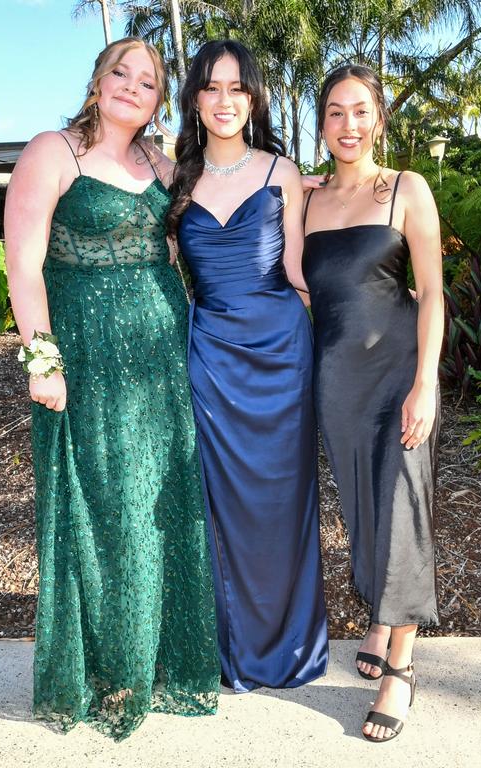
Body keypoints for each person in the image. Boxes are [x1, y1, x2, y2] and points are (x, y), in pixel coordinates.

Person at [3, 37, 219, 740]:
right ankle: (108, 669)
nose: (133, 85)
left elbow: (207, 224)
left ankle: (161, 662)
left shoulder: (161, 162)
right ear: (97, 82)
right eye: (120, 72)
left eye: (148, 80)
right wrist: (43, 362)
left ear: (160, 100)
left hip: (163, 359)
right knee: (104, 513)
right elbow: (24, 265)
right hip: (88, 363)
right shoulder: (51, 151)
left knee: (160, 509)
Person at [165, 39, 329, 693]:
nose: (225, 100)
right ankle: (229, 644)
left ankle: (288, 647)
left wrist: (376, 308)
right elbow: (161, 273)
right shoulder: (173, 180)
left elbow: (296, 272)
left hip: (284, 358)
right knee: (223, 508)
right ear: (195, 99)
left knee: (284, 503)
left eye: (237, 88)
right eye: (212, 87)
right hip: (211, 360)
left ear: (254, 97)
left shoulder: (280, 172)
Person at [300, 64, 444, 743]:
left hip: (398, 375)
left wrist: (429, 382)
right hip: (335, 381)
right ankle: (381, 619)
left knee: (403, 505)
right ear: (322, 122)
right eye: (335, 112)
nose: (349, 125)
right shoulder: (305, 200)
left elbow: (433, 292)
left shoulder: (406, 189)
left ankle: (402, 669)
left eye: (361, 111)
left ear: (380, 118)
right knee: (361, 506)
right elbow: (303, 295)